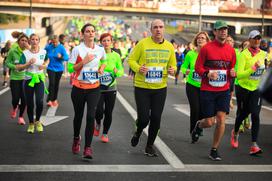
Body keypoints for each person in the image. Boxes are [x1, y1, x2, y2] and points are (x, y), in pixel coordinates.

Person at [128, 19, 176, 157]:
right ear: (151, 30)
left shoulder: (169, 47)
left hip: (160, 88)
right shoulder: (142, 44)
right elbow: (131, 60)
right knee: (144, 119)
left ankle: (149, 146)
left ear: (164, 29)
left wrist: (173, 70)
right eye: (155, 27)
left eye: (161, 27)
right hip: (142, 87)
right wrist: (139, 68)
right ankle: (138, 132)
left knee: (156, 118)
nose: (158, 30)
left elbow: (172, 66)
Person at [194, 20, 236, 161]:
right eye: (220, 29)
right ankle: (199, 125)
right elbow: (198, 68)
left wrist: (232, 73)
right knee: (210, 122)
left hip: (223, 90)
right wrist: (208, 74)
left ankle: (214, 149)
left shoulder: (231, 50)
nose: (223, 31)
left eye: (225, 29)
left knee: (221, 119)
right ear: (215, 32)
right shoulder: (206, 48)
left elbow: (231, 69)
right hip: (207, 89)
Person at [68, 23, 106, 159]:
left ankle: (88, 148)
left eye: (93, 31)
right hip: (78, 88)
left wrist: (102, 68)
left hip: (94, 88)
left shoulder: (100, 49)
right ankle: (76, 138)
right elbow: (71, 69)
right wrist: (83, 61)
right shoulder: (77, 49)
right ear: (82, 34)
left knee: (91, 116)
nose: (91, 33)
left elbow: (104, 61)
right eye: (88, 31)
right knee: (78, 116)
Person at [231, 30, 268, 155]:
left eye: (259, 38)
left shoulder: (264, 54)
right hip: (243, 88)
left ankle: (254, 145)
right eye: (254, 38)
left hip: (256, 89)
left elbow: (264, 72)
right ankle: (235, 133)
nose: (257, 40)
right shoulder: (243, 55)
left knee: (255, 115)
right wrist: (253, 68)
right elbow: (239, 76)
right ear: (250, 39)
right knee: (242, 114)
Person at [94, 33, 124, 143]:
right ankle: (97, 123)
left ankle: (105, 133)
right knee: (99, 111)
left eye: (108, 40)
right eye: (104, 41)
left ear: (111, 42)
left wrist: (117, 72)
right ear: (100, 42)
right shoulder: (97, 54)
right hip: (98, 86)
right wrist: (98, 70)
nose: (106, 43)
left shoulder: (116, 55)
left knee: (108, 112)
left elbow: (121, 70)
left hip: (111, 87)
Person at [17, 34, 49, 133]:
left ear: (39, 41)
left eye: (36, 39)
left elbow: (47, 60)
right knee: (29, 103)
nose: (34, 41)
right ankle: (31, 123)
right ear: (29, 41)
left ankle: (38, 121)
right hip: (28, 80)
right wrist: (28, 64)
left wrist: (45, 65)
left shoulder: (43, 52)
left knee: (40, 102)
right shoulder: (25, 54)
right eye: (32, 39)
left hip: (39, 79)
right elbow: (18, 67)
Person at [181, 31, 210, 142]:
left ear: (207, 41)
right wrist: (186, 70)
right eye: (198, 38)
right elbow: (183, 67)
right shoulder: (190, 54)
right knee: (195, 108)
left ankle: (199, 126)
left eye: (203, 38)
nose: (200, 39)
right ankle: (193, 131)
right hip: (192, 85)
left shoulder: (209, 55)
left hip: (205, 86)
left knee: (203, 111)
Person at [5, 33, 29, 125]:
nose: (24, 42)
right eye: (22, 40)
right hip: (15, 78)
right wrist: (15, 67)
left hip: (26, 78)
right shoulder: (12, 51)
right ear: (18, 42)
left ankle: (21, 117)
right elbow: (7, 62)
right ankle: (15, 107)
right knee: (15, 99)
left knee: (24, 99)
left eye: (26, 41)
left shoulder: (29, 52)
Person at [45, 35, 69, 107]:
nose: (54, 44)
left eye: (56, 42)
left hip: (59, 69)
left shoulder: (61, 47)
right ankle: (49, 100)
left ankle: (54, 99)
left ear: (58, 41)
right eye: (53, 42)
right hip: (50, 68)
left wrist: (61, 56)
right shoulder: (49, 47)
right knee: (52, 83)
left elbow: (67, 57)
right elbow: (43, 53)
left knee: (56, 84)